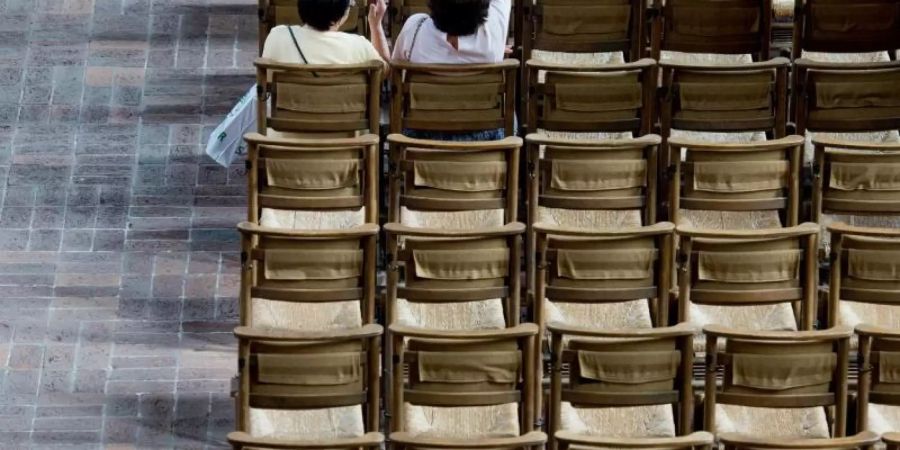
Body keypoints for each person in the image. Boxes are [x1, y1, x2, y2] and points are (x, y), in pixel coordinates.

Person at [392, 0, 512, 141]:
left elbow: (394, 74)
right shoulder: (495, 32)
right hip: (488, 142)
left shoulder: (414, 30)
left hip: (422, 141)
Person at [262, 0, 390, 67]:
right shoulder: (360, 46)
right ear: (343, 14)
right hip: (344, 117)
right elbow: (386, 70)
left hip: (287, 116)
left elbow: (267, 81)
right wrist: (375, 25)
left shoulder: (277, 37)